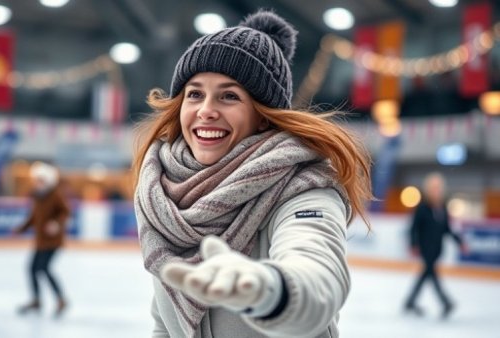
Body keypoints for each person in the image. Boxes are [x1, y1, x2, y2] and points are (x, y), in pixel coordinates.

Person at [132, 10, 372, 338]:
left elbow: (319, 275)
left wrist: (266, 292)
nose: (206, 110)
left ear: (262, 116)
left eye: (229, 96)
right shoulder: (162, 194)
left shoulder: (303, 189)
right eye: (195, 94)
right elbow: (165, 321)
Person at [12, 161, 70, 317]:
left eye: (41, 180)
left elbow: (65, 212)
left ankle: (61, 299)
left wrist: (56, 223)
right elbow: (33, 217)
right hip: (40, 241)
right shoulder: (37, 196)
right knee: (32, 269)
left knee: (43, 268)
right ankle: (36, 300)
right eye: (37, 180)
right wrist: (20, 229)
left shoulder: (55, 195)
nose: (38, 183)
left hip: (53, 242)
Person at [404, 172, 465, 319]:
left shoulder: (443, 208)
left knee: (426, 274)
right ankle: (446, 302)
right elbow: (414, 227)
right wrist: (413, 244)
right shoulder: (422, 208)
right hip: (425, 248)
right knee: (432, 273)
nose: (436, 191)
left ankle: (409, 302)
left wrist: (460, 242)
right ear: (428, 190)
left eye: (438, 188)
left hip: (437, 248)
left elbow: (447, 229)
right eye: (433, 188)